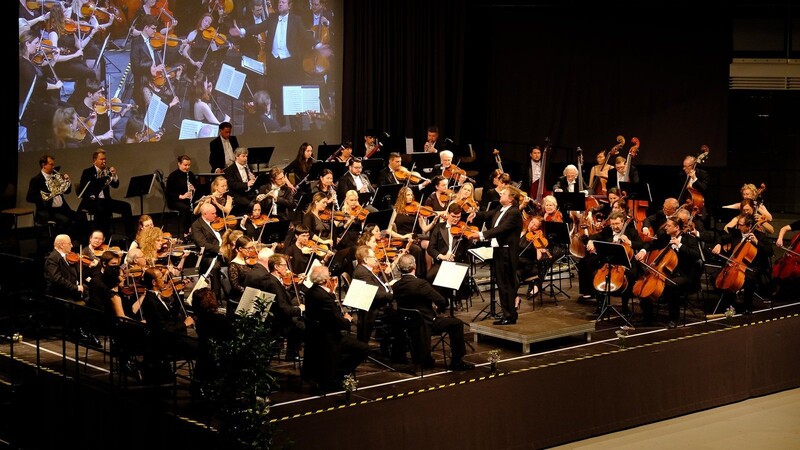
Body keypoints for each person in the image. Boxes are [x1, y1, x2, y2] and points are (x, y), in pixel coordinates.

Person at [392, 253, 475, 371]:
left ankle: (426, 358)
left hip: (407, 323)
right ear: (414, 266)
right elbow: (441, 301)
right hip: (425, 323)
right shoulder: (420, 284)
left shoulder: (396, 285)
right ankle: (457, 361)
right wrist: (438, 308)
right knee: (456, 324)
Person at [302, 265, 369, 391]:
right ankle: (338, 374)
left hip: (316, 334)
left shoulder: (311, 292)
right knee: (363, 349)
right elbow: (337, 322)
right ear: (324, 279)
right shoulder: (324, 297)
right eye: (329, 275)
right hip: (328, 337)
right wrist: (347, 320)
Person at [634, 216, 701, 328]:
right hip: (666, 272)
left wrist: (680, 245)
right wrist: (643, 251)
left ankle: (674, 318)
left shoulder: (690, 239)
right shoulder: (664, 237)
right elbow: (650, 244)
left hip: (684, 274)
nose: (666, 227)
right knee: (645, 282)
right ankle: (648, 317)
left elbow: (696, 255)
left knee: (670, 285)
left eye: (669, 226)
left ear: (677, 227)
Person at [470, 186, 523, 325]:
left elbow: (502, 228)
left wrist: (481, 235)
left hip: (507, 252)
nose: (500, 194)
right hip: (499, 250)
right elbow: (487, 215)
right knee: (501, 283)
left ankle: (510, 315)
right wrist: (475, 214)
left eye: (504, 193)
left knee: (507, 284)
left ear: (511, 198)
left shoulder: (514, 212)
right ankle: (508, 313)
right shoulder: (500, 208)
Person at [243, 251, 305, 360]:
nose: (287, 268)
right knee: (303, 327)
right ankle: (292, 354)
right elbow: (284, 308)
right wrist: (299, 310)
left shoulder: (271, 279)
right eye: (284, 265)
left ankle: (292, 354)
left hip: (276, 318)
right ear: (276, 267)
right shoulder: (273, 283)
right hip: (278, 323)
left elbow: (283, 299)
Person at [583, 211, 644, 316]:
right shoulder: (607, 230)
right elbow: (595, 236)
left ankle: (625, 306)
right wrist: (590, 241)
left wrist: (629, 242)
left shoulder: (631, 232)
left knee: (629, 276)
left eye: (617, 224)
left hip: (626, 264)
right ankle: (601, 305)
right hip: (609, 262)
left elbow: (641, 244)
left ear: (623, 222)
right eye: (612, 224)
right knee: (595, 274)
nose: (614, 226)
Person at [711, 214, 773, 315]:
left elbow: (770, 251)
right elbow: (720, 238)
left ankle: (747, 307)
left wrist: (757, 242)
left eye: (740, 225)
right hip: (734, 264)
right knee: (714, 277)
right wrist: (718, 244)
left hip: (753, 266)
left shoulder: (760, 236)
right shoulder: (736, 234)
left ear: (748, 226)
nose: (737, 227)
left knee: (749, 279)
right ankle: (730, 301)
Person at [19, 30, 63, 151]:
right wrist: (55, 86)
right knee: (60, 112)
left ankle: (47, 142)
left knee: (64, 107)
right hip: (28, 107)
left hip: (37, 100)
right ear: (27, 44)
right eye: (36, 42)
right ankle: (50, 144)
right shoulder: (23, 64)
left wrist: (53, 60)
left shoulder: (28, 60)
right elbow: (37, 84)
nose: (39, 46)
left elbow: (42, 75)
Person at [77, 150, 133, 237]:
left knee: (126, 206)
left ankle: (130, 235)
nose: (104, 161)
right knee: (101, 210)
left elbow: (115, 185)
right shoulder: (87, 172)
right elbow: (83, 190)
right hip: (92, 201)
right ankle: (102, 235)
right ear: (94, 160)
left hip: (106, 200)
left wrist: (114, 175)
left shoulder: (107, 171)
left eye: (105, 159)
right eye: (101, 159)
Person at [426, 203, 471, 312]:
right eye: (453, 216)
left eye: (458, 217)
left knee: (461, 276)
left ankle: (457, 299)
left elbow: (467, 249)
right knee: (430, 275)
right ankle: (442, 301)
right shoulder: (438, 228)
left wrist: (468, 238)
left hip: (457, 261)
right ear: (448, 214)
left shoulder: (462, 229)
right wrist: (442, 256)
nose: (456, 219)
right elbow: (431, 248)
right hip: (442, 261)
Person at [26, 154, 81, 236]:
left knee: (80, 217)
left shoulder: (55, 176)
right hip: (49, 211)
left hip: (63, 208)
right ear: (43, 165)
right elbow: (29, 197)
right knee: (65, 221)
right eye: (51, 164)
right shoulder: (36, 180)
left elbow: (67, 191)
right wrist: (47, 196)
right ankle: (59, 243)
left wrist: (67, 182)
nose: (53, 166)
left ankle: (74, 242)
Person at [352, 245, 394, 345]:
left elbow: (376, 285)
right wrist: (392, 295)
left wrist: (387, 282)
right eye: (373, 257)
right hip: (374, 309)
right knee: (399, 314)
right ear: (366, 259)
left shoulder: (365, 270)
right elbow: (375, 293)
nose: (376, 259)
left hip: (376, 304)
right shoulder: (362, 272)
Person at [191, 203, 224, 300]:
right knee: (215, 266)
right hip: (208, 256)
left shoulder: (218, 223)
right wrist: (219, 249)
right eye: (213, 214)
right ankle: (216, 296)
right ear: (205, 214)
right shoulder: (197, 225)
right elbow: (202, 244)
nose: (215, 215)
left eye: (215, 213)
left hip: (223, 253)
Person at [45, 234, 85, 303]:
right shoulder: (53, 258)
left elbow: (73, 273)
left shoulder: (67, 256)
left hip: (69, 290)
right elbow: (57, 279)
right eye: (69, 244)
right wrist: (75, 287)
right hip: (60, 293)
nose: (72, 246)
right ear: (61, 245)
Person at [166, 155, 198, 236]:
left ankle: (196, 230)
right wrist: (182, 196)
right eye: (185, 165)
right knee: (186, 209)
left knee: (200, 206)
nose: (187, 167)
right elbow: (168, 193)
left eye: (189, 165)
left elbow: (197, 188)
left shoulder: (190, 174)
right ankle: (186, 232)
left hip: (188, 200)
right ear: (179, 164)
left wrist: (193, 189)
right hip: (175, 200)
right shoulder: (173, 176)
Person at [224, 234, 256, 316]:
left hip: (252, 293)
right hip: (241, 297)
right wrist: (251, 294)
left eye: (252, 247)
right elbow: (235, 286)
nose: (251, 250)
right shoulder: (233, 265)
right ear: (240, 249)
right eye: (249, 248)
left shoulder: (251, 260)